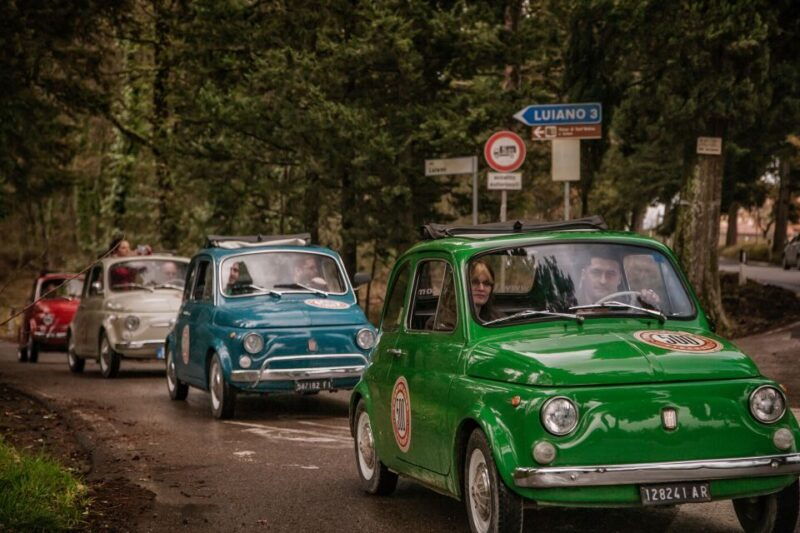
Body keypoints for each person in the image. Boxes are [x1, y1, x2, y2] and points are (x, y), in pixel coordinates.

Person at [576, 249, 660, 308]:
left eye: (610, 274)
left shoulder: (630, 308)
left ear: (619, 279)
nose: (603, 281)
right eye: (596, 272)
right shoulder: (570, 307)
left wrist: (650, 306)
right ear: (583, 275)